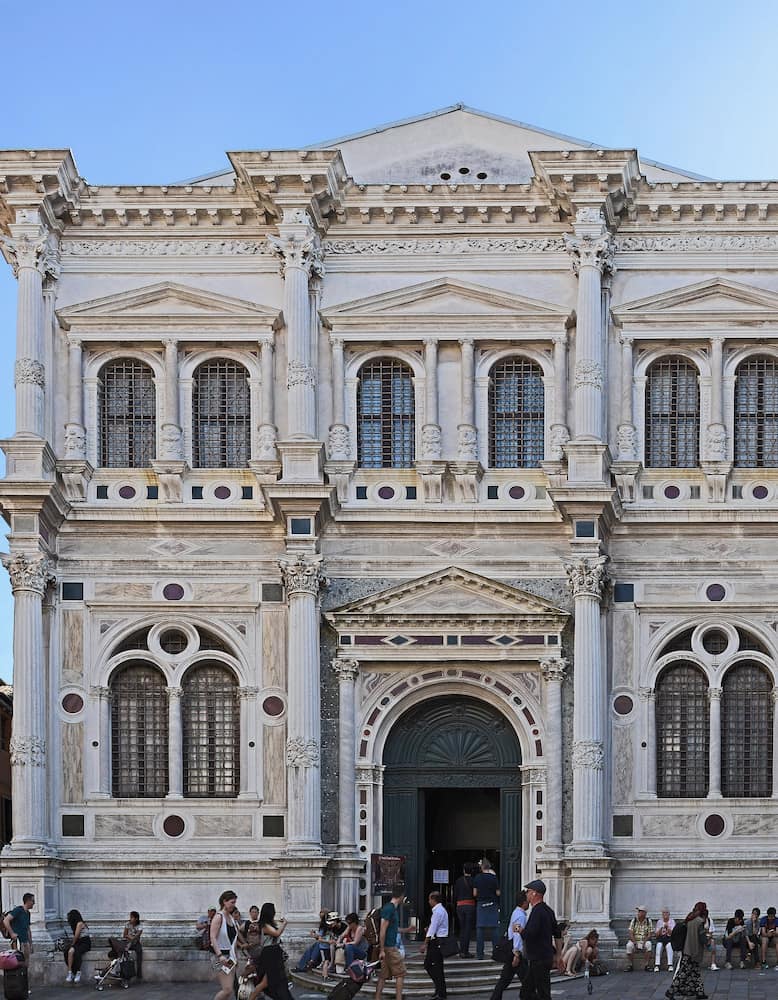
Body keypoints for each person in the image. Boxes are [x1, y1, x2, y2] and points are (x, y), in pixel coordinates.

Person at [519, 879, 563, 1000]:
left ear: (534, 893)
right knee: (527, 992)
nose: (526, 894)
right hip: (544, 958)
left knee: (541, 993)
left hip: (539, 959)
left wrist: (520, 930)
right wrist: (559, 955)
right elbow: (558, 934)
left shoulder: (537, 912)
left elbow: (529, 934)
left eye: (528, 891)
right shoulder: (549, 911)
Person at [664, 901, 709, 1000]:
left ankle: (699, 992)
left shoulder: (690, 918)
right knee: (683, 973)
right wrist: (708, 942)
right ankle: (670, 991)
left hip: (687, 950)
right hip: (694, 951)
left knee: (695, 973)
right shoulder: (699, 921)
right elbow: (702, 938)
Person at [489, 890, 529, 1000]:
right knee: (526, 979)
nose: (529, 902)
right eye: (527, 900)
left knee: (505, 979)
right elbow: (517, 934)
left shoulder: (516, 913)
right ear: (524, 902)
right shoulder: (520, 916)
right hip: (515, 951)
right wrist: (517, 953)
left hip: (514, 951)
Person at [374, 886, 410, 1000]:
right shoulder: (389, 909)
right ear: (401, 896)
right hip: (389, 947)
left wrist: (407, 930)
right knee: (401, 973)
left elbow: (393, 929)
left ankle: (377, 998)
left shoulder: (392, 909)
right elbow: (383, 930)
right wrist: (382, 950)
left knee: (383, 975)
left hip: (388, 947)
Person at [210, 890, 244, 1000]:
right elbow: (212, 937)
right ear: (224, 901)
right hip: (220, 957)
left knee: (229, 990)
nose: (234, 905)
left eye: (235, 902)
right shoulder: (218, 917)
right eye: (232, 902)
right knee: (227, 989)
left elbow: (233, 940)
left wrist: (235, 957)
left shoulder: (231, 918)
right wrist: (220, 955)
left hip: (230, 958)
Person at [420, 891, 448, 1000]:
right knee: (435, 967)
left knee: (432, 966)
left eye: (429, 899)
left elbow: (432, 930)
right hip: (438, 940)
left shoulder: (437, 912)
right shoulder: (441, 910)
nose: (428, 901)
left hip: (436, 942)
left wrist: (424, 944)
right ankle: (439, 990)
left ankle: (441, 992)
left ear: (433, 899)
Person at [473, 857, 501, 960]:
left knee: (480, 929)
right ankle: (496, 953)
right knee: (494, 929)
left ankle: (480, 954)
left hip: (481, 904)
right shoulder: (493, 878)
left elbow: (475, 893)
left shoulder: (477, 878)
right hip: (492, 903)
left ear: (481, 867)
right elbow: (498, 892)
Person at [3, 893, 34, 966]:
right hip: (17, 942)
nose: (34, 903)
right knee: (18, 963)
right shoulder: (18, 910)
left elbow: (28, 929)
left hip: (25, 942)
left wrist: (30, 943)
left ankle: (24, 976)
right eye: (33, 901)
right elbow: (6, 920)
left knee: (26, 964)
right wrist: (12, 933)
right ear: (28, 901)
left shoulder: (28, 913)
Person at [452, 863, 475, 958]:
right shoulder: (473, 881)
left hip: (460, 906)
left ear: (464, 871)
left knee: (462, 928)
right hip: (470, 905)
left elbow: (455, 895)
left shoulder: (458, 881)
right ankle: (465, 951)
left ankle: (461, 950)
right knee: (468, 929)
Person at [64, 909, 92, 984]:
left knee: (76, 952)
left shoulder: (80, 923)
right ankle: (70, 972)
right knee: (69, 952)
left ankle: (78, 972)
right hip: (79, 942)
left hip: (84, 942)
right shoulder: (75, 924)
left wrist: (72, 944)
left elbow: (76, 936)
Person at [626, 905, 652, 971]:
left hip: (644, 940)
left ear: (644, 913)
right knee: (629, 946)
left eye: (640, 911)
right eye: (639, 911)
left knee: (649, 945)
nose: (639, 913)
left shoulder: (648, 921)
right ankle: (630, 965)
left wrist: (644, 942)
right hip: (635, 940)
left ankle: (647, 965)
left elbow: (649, 934)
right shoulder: (634, 920)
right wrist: (634, 942)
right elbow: (630, 933)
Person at [123, 910, 143, 980]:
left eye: (131, 917)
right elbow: (124, 935)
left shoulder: (140, 927)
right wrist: (130, 937)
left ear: (136, 918)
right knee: (125, 954)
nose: (130, 919)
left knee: (140, 952)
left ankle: (139, 973)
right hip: (128, 942)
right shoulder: (127, 924)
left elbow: (136, 938)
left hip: (136, 943)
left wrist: (129, 936)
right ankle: (126, 973)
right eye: (130, 917)